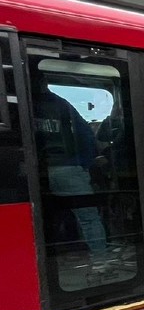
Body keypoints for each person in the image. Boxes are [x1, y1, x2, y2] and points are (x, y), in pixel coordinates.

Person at [33, 86, 107, 257]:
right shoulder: (60, 104)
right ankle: (101, 258)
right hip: (68, 168)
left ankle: (54, 256)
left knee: (47, 216)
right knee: (88, 216)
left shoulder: (20, 103)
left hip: (35, 170)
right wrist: (85, 164)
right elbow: (85, 134)